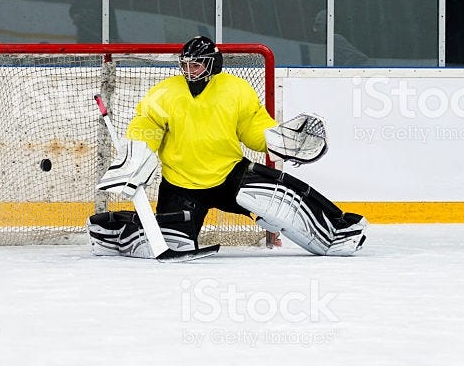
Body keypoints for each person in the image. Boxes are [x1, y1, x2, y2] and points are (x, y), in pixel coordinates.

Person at [88, 35, 367, 258]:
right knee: (175, 241)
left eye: (195, 65)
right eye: (185, 64)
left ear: (212, 64)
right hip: (181, 184)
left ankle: (337, 232)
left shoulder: (236, 89)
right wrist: (137, 152)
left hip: (230, 174)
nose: (188, 70)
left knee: (287, 199)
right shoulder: (164, 93)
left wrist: (275, 139)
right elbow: (146, 125)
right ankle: (108, 230)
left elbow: (253, 127)